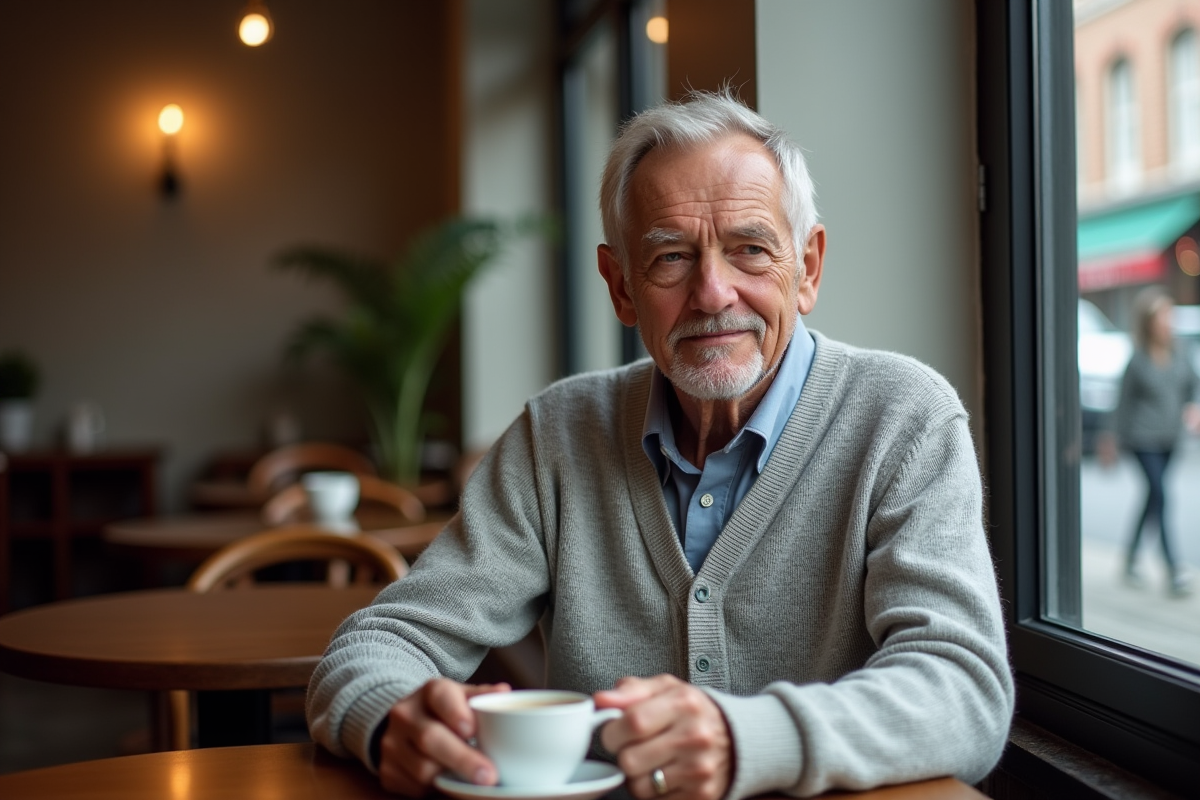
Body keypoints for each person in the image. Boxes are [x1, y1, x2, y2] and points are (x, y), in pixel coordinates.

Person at [306, 91, 1014, 799]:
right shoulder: (556, 434)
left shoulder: (904, 418)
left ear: (809, 268)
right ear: (620, 288)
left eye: (750, 250)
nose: (712, 293)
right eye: (671, 258)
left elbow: (964, 691)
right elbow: (379, 644)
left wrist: (746, 741)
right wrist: (391, 719)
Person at [1098, 287, 1200, 598]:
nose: (1167, 322)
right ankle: (1174, 569)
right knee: (1161, 495)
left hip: (1170, 437)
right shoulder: (1138, 359)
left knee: (1153, 498)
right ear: (1149, 322)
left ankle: (1129, 556)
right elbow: (1122, 403)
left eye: (1169, 315)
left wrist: (1193, 407)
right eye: (1161, 316)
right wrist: (1109, 439)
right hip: (1141, 438)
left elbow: (1192, 386)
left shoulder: (1180, 351)